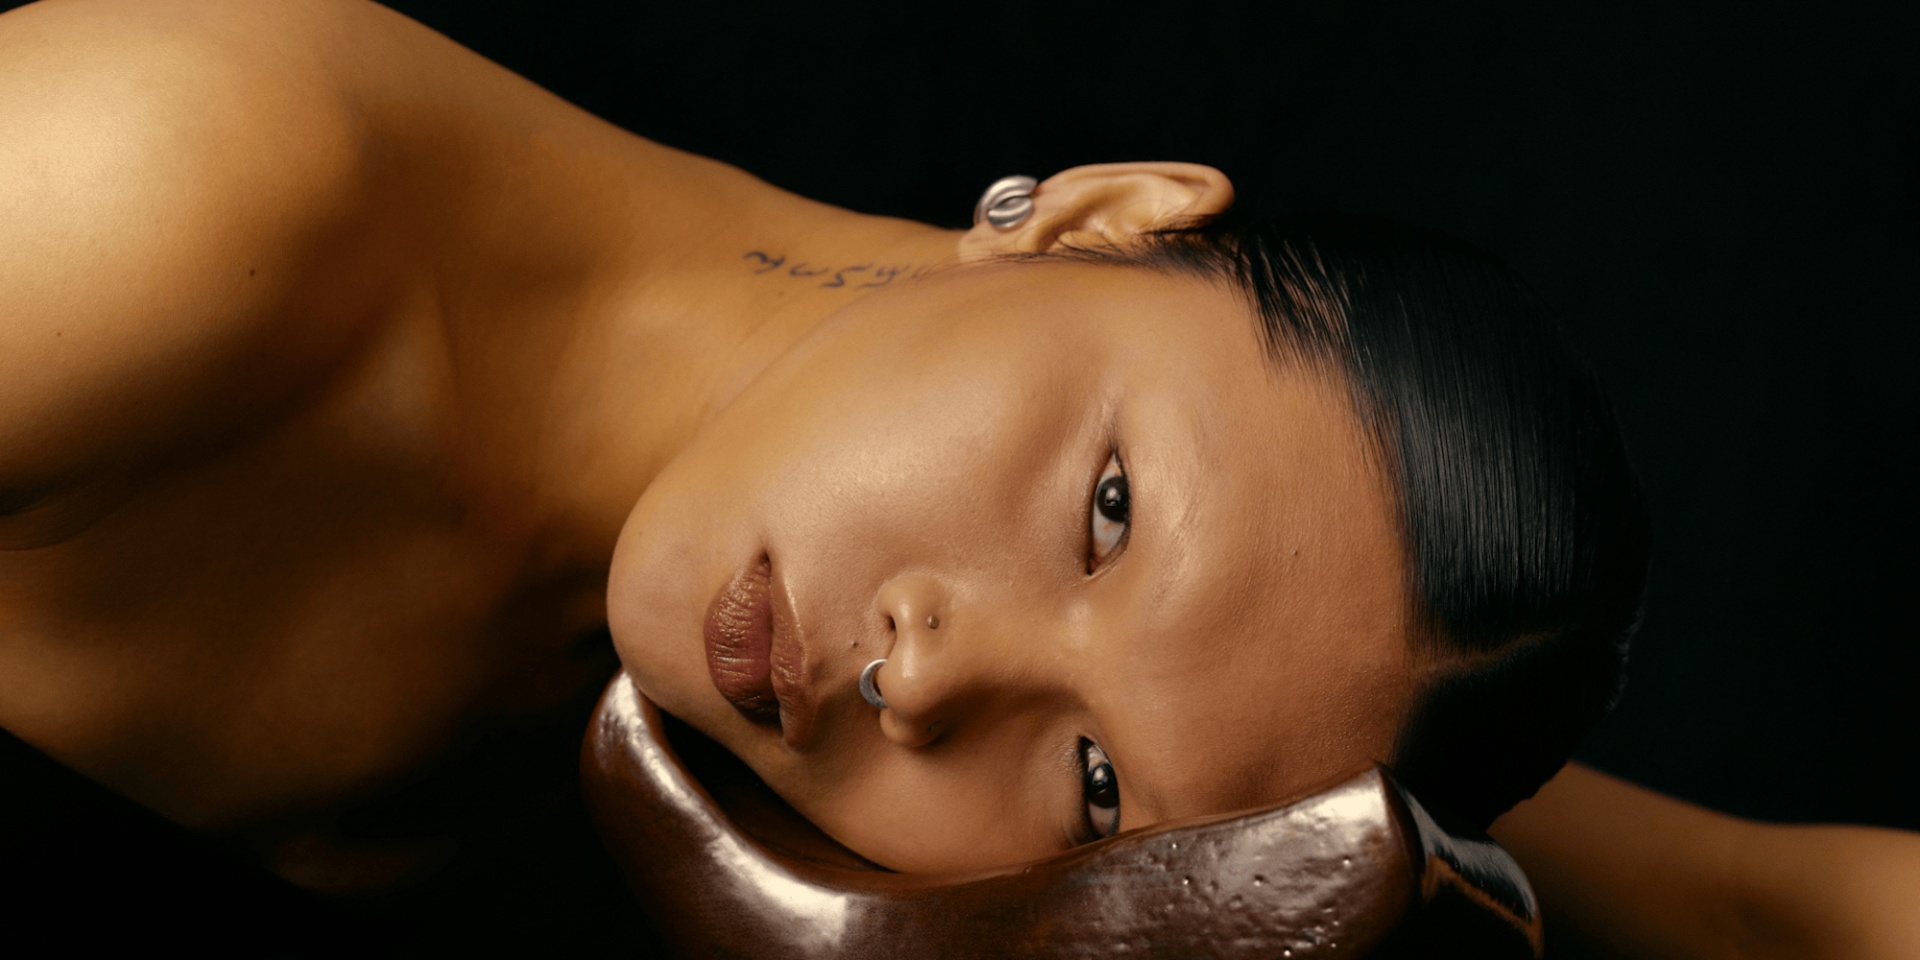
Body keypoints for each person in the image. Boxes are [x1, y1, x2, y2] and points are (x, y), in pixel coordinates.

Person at [0, 0, 1911, 956]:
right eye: (1105, 507)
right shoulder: (163, 210)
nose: (925, 673)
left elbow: (1790, 915)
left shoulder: (1197, 739)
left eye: (1092, 785)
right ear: (1094, 221)